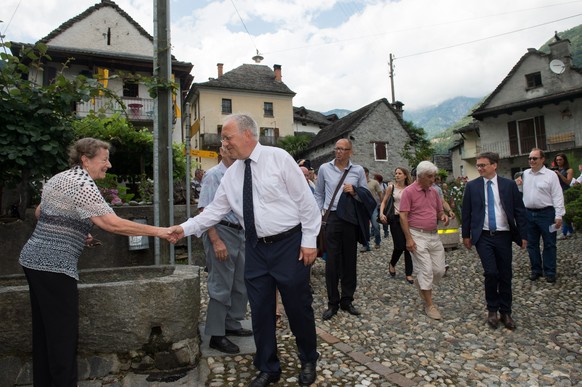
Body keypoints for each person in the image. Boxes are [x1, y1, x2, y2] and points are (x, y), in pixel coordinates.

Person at [170, 114, 320, 387]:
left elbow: (306, 202)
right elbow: (213, 211)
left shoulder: (279, 158)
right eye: (223, 138)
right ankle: (267, 367)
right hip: (255, 248)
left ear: (248, 135)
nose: (224, 143)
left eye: (228, 137)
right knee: (260, 311)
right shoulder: (232, 174)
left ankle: (308, 359)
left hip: (289, 245)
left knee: (298, 307)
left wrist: (309, 240)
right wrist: (183, 229)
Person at [19, 138, 176, 387]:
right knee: (63, 337)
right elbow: (111, 223)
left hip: (33, 261)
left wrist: (77, 228)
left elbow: (41, 211)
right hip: (54, 266)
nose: (109, 165)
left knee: (45, 334)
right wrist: (160, 231)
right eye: (104, 159)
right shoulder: (82, 182)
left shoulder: (59, 178)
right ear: (85, 159)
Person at [461, 152, 528, 330]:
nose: (480, 168)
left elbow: (519, 211)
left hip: (504, 235)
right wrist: (466, 235)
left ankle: (506, 311)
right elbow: (466, 212)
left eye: (483, 165)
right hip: (483, 236)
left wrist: (523, 235)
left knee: (505, 273)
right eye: (478, 165)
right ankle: (492, 309)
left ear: (494, 165)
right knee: (491, 273)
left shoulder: (509, 185)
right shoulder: (472, 186)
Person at [199, 147, 250, 354]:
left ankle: (231, 323)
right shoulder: (213, 176)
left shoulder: (241, 173)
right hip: (221, 231)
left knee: (239, 281)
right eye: (228, 148)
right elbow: (204, 210)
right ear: (221, 151)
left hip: (240, 233)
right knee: (220, 284)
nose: (233, 151)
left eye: (234, 147)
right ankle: (216, 335)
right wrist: (215, 240)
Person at [315, 139, 372, 321]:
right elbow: (319, 194)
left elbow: (366, 196)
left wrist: (354, 191)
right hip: (332, 217)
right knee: (332, 262)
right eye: (337, 149)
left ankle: (347, 300)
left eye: (343, 149)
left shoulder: (357, 170)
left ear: (350, 152)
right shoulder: (324, 168)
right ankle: (333, 303)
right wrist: (318, 215)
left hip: (350, 219)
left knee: (350, 261)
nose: (338, 152)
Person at [399, 161, 449, 320]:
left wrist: (443, 216)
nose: (433, 179)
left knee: (439, 270)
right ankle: (429, 304)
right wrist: (408, 239)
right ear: (419, 176)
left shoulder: (434, 192)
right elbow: (403, 216)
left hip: (434, 235)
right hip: (417, 235)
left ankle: (421, 283)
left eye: (434, 176)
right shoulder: (408, 192)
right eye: (429, 176)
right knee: (426, 270)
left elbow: (439, 211)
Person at [523, 148, 565, 283]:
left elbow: (558, 195)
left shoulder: (550, 175)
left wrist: (559, 215)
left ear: (542, 159)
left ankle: (550, 271)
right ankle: (536, 270)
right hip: (529, 213)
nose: (531, 161)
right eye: (530, 158)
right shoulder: (525, 174)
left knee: (549, 244)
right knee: (531, 244)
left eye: (534, 158)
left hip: (546, 214)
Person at [379, 167, 414, 284]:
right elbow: (384, 201)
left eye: (400, 173)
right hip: (395, 219)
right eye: (396, 173)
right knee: (399, 246)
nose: (397, 175)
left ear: (405, 175)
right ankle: (392, 263)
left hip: (408, 219)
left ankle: (409, 273)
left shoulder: (410, 188)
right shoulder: (391, 187)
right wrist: (381, 213)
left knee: (409, 246)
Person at [553, 153, 574, 239]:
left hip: (566, 192)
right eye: (557, 160)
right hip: (557, 192)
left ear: (564, 160)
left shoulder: (569, 170)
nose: (558, 161)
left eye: (560, 160)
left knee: (564, 212)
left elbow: (568, 182)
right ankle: (570, 231)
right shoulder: (555, 170)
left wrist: (560, 174)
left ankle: (564, 232)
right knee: (561, 212)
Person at [363, 167, 383, 251]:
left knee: (375, 225)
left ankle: (377, 241)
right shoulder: (358, 183)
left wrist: (383, 206)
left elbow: (380, 194)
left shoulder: (374, 182)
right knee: (364, 227)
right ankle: (366, 245)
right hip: (362, 207)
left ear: (367, 173)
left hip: (373, 207)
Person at [375, 174, 390, 238]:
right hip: (375, 204)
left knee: (384, 219)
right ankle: (373, 232)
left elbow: (387, 194)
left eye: (375, 178)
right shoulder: (374, 184)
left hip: (382, 205)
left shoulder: (384, 185)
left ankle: (386, 232)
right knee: (375, 219)